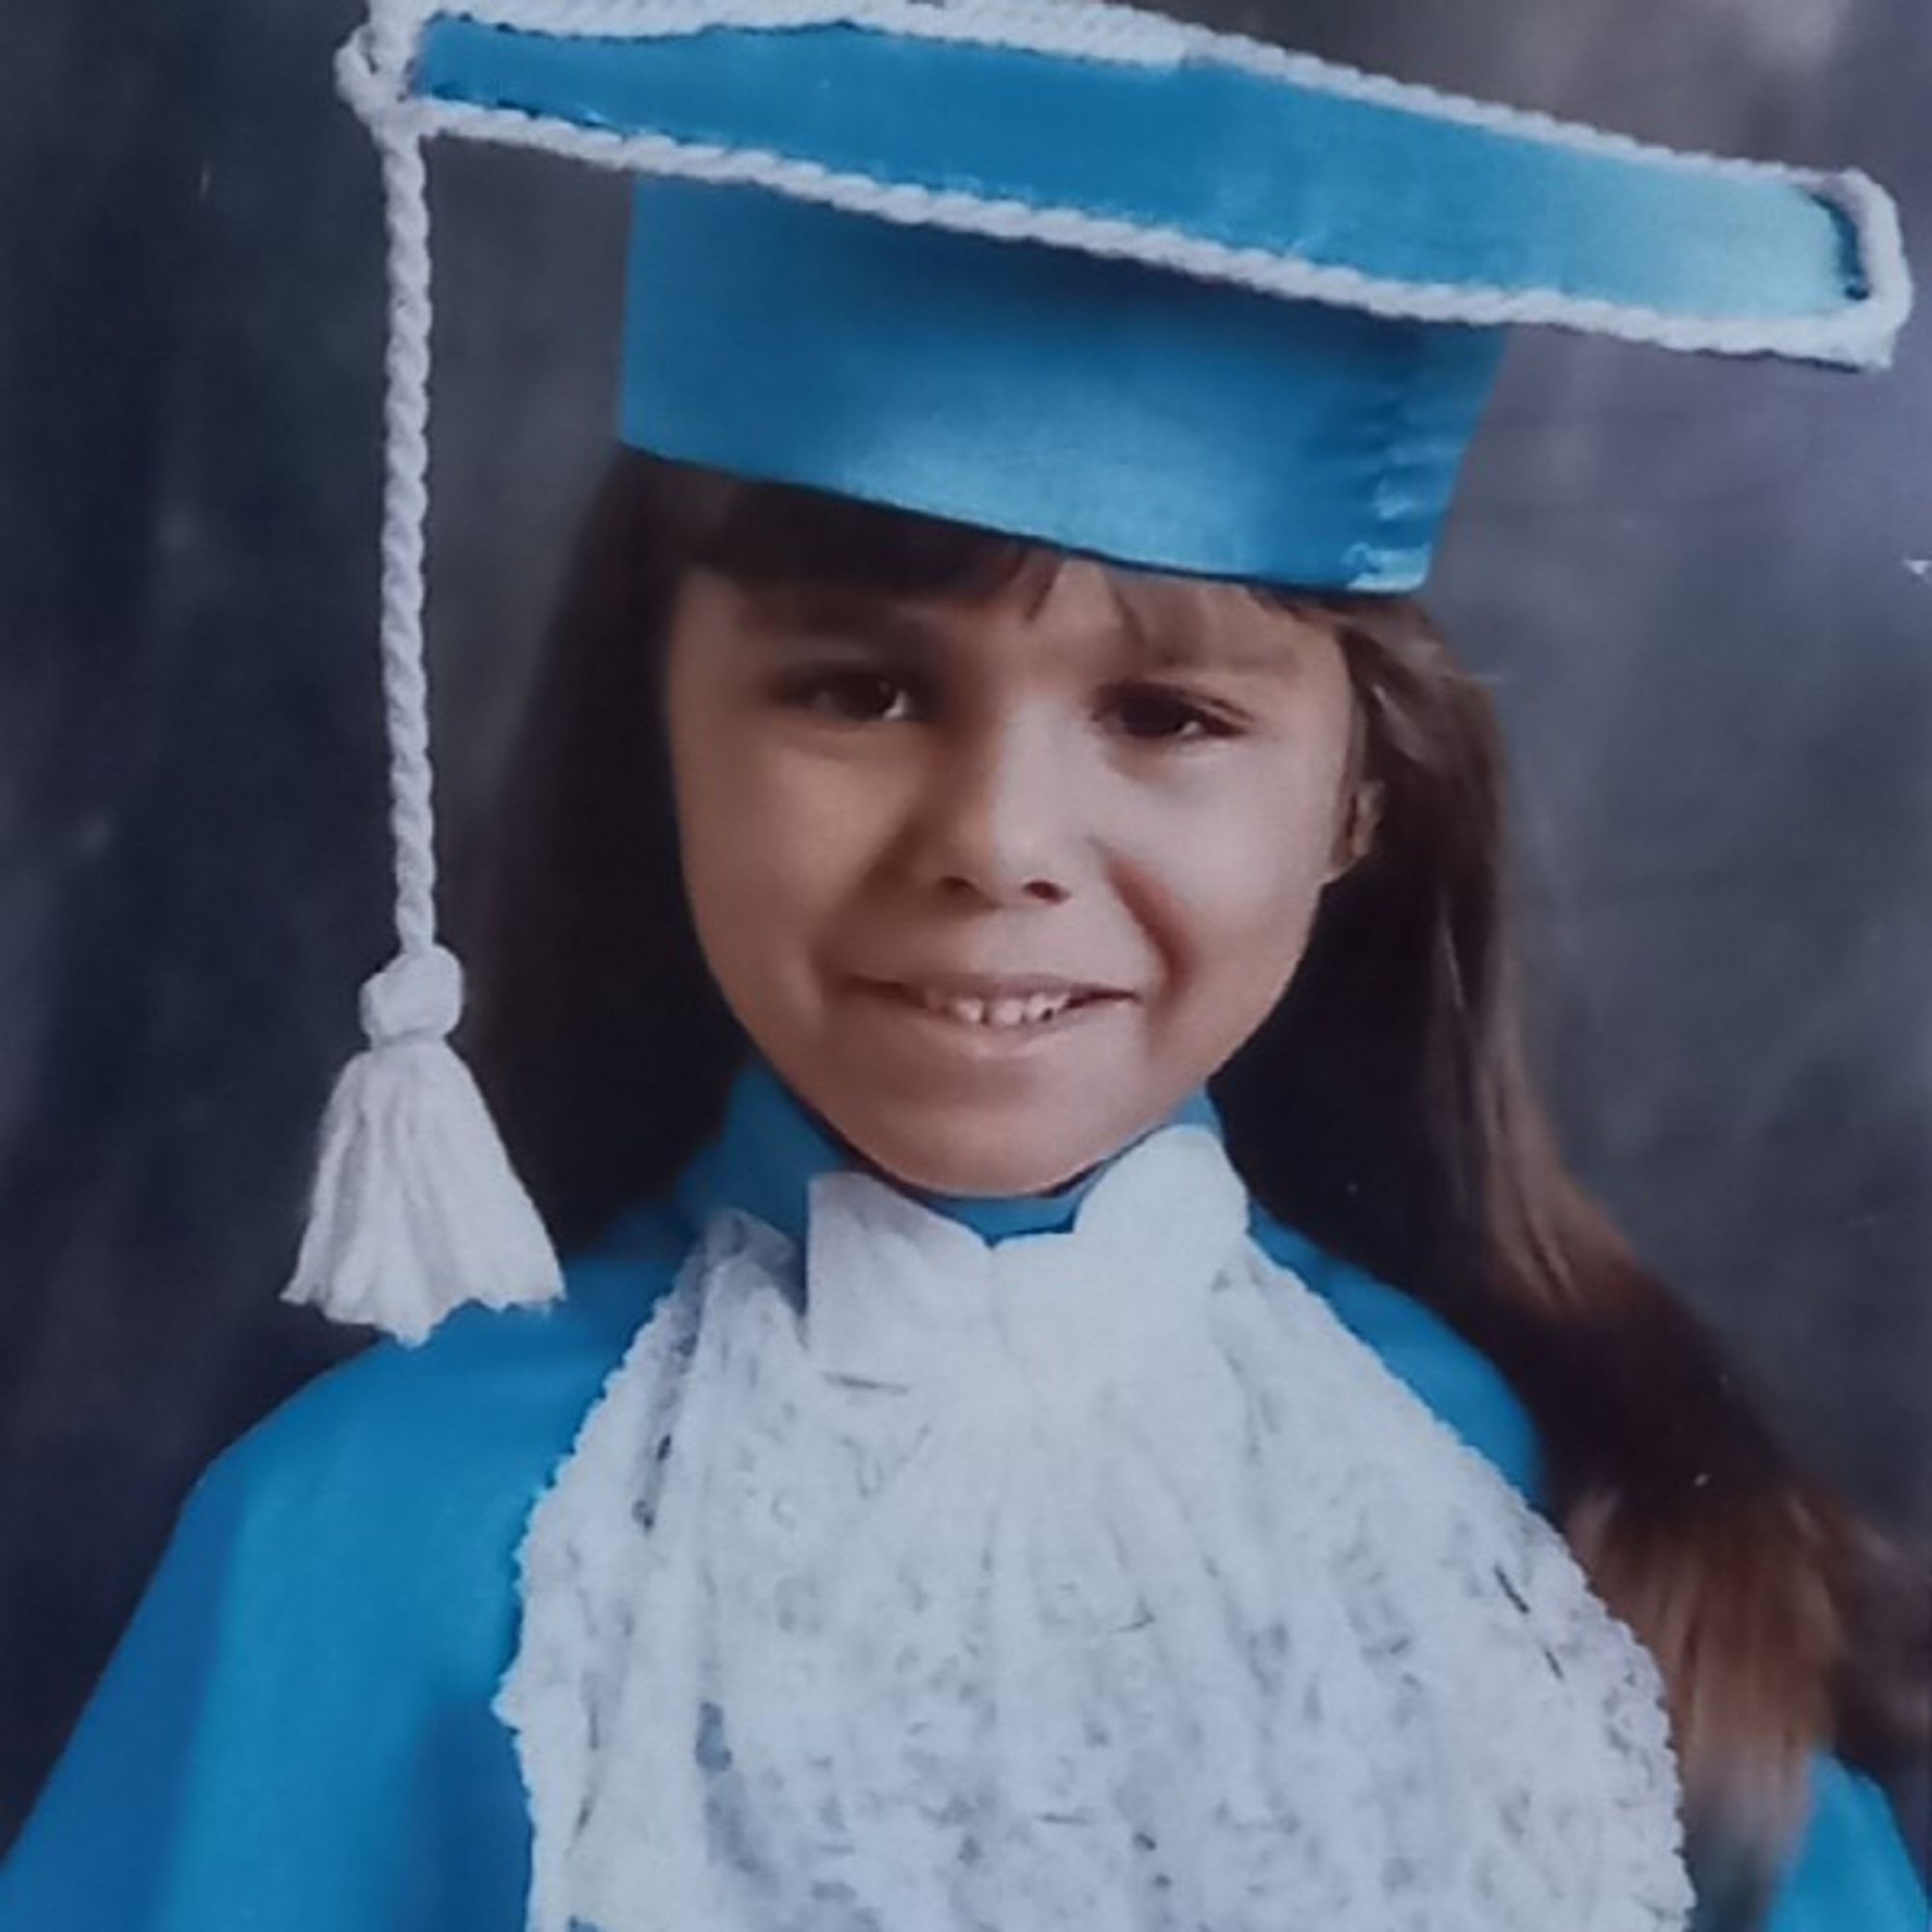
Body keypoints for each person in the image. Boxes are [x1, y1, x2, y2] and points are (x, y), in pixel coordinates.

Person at [1, 3, 1925, 1929]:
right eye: (860, 690)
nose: (995, 841)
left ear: (1360, 805)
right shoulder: (372, 1543)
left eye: (1165, 716)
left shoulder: (1559, 1533)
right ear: (657, 732)